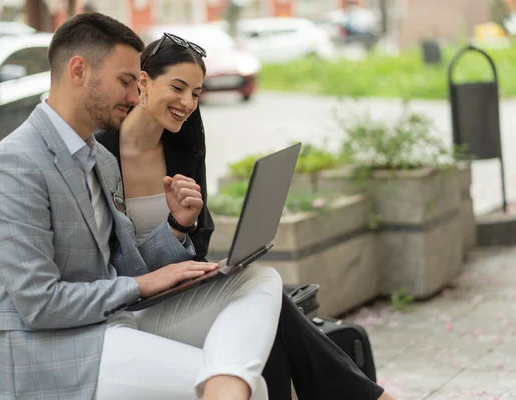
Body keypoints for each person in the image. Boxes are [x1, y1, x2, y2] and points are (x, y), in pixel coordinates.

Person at [0, 13, 283, 400]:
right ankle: (226, 383)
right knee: (255, 387)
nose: (135, 97)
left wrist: (175, 228)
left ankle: (223, 379)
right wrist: (140, 285)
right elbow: (39, 304)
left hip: (109, 324)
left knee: (259, 280)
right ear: (79, 70)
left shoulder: (99, 159)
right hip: (46, 354)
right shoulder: (14, 164)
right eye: (125, 82)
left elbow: (121, 266)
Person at [95, 32, 397, 400]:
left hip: (179, 294)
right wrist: (175, 227)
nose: (187, 102)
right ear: (143, 81)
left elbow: (200, 243)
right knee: (271, 302)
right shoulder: (99, 156)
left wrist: (186, 226)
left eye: (196, 93)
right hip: (133, 308)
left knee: (265, 301)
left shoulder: (183, 150)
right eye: (178, 87)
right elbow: (118, 268)